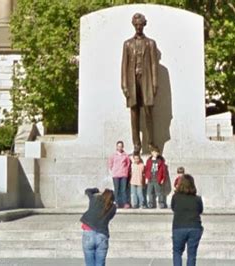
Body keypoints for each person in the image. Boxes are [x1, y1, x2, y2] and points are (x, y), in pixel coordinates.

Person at [121, 13, 159, 155]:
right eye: (136, 25)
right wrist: (124, 85)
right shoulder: (127, 44)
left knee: (149, 112)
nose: (138, 27)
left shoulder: (150, 43)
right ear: (133, 25)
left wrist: (155, 84)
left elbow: (154, 65)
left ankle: (151, 143)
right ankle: (136, 145)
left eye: (140, 24)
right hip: (132, 81)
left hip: (147, 80)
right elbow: (124, 66)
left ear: (144, 25)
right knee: (134, 114)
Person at [171, 174, 203, 266]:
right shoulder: (197, 199)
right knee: (192, 255)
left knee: (177, 252)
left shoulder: (175, 197)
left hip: (179, 227)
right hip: (194, 227)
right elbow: (200, 210)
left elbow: (173, 208)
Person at [80, 188, 117, 266]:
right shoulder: (113, 208)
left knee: (89, 263)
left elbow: (87, 191)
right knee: (100, 264)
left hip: (88, 233)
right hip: (102, 235)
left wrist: (96, 190)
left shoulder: (95, 199)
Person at [108, 141, 131, 208]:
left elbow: (128, 164)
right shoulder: (113, 155)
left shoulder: (125, 155)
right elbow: (110, 164)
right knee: (116, 189)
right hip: (116, 175)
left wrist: (126, 171)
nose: (120, 147)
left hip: (123, 174)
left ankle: (125, 203)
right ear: (116, 147)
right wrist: (113, 170)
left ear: (123, 147)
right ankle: (116, 202)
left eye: (121, 146)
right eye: (118, 146)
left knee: (123, 189)